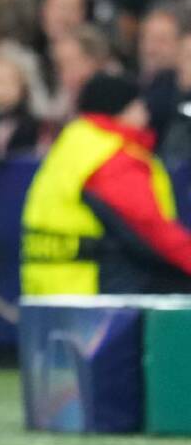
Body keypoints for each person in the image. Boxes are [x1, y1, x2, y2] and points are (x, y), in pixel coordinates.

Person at [21, 72, 191, 295]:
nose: (145, 112)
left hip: (49, 284)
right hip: (97, 289)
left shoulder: (73, 145)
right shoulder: (112, 157)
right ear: (121, 109)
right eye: (138, 105)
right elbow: (149, 226)